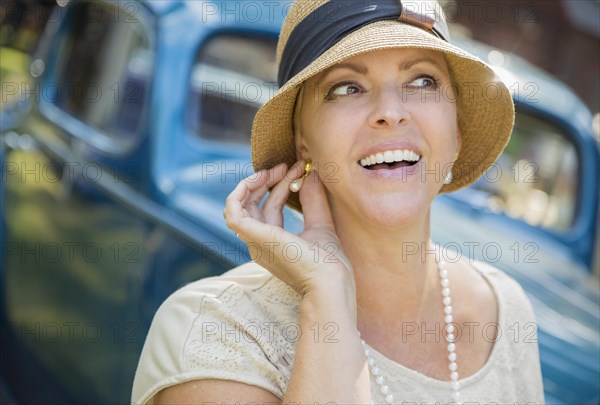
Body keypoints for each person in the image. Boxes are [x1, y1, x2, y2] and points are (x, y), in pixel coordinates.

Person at [132, 0, 545, 403]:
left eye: (423, 81)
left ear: (456, 132)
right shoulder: (214, 330)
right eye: (347, 87)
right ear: (303, 143)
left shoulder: (506, 309)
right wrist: (328, 291)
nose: (390, 112)